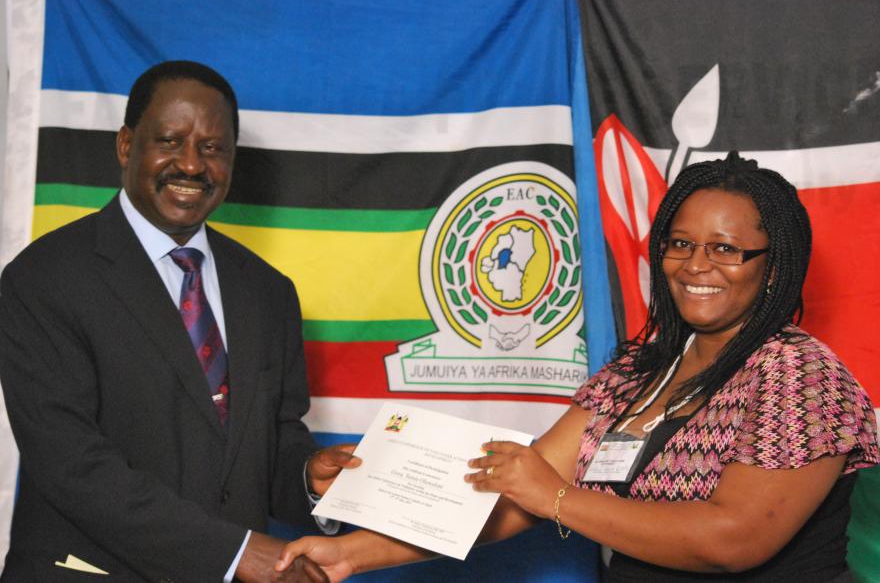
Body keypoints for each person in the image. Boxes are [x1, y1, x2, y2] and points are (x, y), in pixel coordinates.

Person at [278, 153, 879, 581]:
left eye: (725, 248)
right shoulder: (638, 372)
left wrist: (558, 498)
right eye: (680, 243)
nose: (696, 265)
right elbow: (514, 499)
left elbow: (733, 539)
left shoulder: (801, 377)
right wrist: (353, 554)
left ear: (773, 268)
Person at [0, 60, 358, 582]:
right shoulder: (44, 277)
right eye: (170, 141)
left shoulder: (268, 291)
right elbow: (70, 464)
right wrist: (235, 553)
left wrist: (307, 476)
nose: (191, 165)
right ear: (127, 145)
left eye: (213, 148)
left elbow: (270, 441)